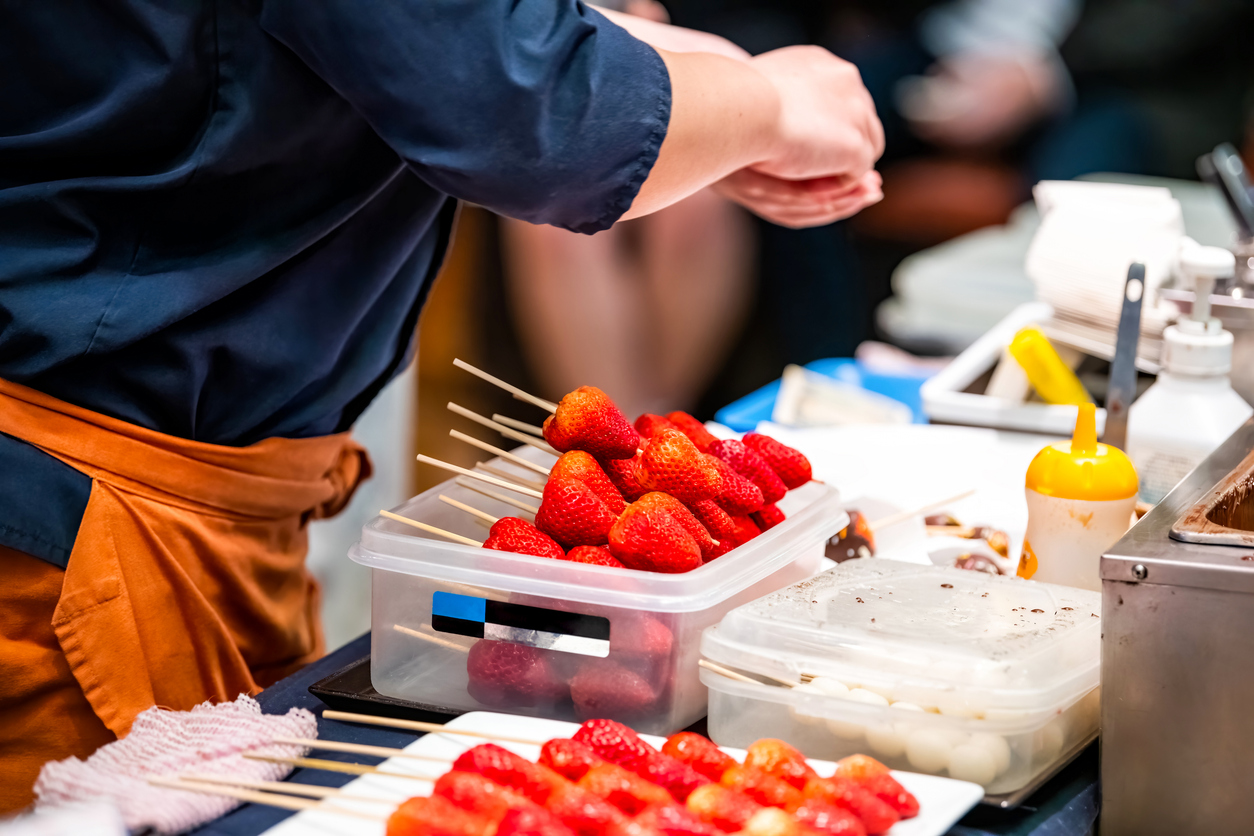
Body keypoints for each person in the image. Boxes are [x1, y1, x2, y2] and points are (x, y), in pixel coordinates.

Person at [0, 0, 882, 808]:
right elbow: (531, 113)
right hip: (62, 522)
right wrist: (763, 102)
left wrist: (698, 77)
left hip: (184, 498)